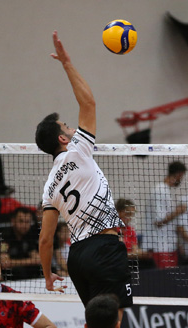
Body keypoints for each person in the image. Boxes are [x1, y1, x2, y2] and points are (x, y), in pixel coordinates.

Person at [36, 31, 132, 312]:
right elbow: (88, 103)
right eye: (67, 126)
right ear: (63, 139)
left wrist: (47, 275)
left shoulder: (49, 187)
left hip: (77, 256)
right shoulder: (78, 149)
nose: (72, 128)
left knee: (96, 320)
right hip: (104, 248)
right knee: (114, 321)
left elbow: (45, 239)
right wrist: (67, 63)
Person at [143, 161, 188, 268]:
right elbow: (159, 221)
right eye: (182, 177)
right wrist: (178, 211)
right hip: (160, 247)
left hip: (169, 246)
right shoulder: (160, 191)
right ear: (179, 174)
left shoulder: (166, 191)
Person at [0, 207, 42, 280]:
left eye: (27, 222)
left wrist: (14, 262)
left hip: (27, 274)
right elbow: (5, 263)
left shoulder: (30, 235)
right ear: (13, 221)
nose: (24, 225)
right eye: (21, 221)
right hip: (10, 276)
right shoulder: (4, 237)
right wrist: (30, 261)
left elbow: (38, 260)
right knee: (18, 271)